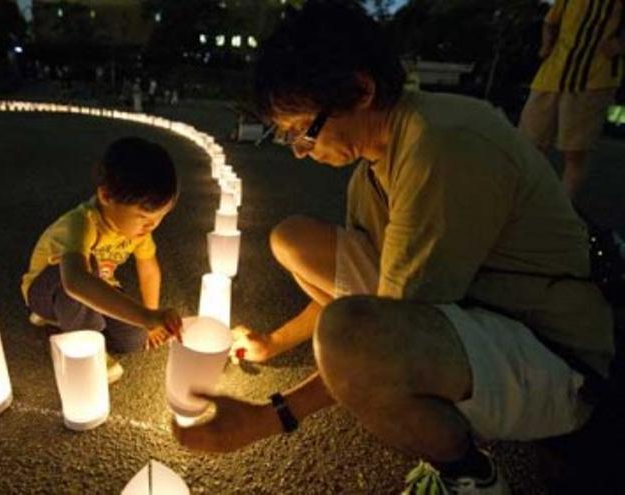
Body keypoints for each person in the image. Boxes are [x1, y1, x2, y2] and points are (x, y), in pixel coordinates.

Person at [172, 2, 614, 494]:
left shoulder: (440, 145)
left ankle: (466, 473)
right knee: (291, 240)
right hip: (482, 308)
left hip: (561, 359)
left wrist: (268, 419)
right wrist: (275, 343)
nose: (301, 150)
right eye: (289, 137)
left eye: (304, 130)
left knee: (352, 342)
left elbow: (367, 336)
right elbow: (355, 305)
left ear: (361, 91)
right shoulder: (372, 170)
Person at [21, 137, 183, 383]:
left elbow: (148, 268)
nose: (152, 225)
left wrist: (150, 317)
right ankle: (85, 343)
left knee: (133, 340)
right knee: (89, 265)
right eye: (143, 217)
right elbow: (76, 281)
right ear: (106, 195)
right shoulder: (81, 223)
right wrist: (147, 317)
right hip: (46, 290)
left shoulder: (140, 231)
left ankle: (64, 319)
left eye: (161, 217)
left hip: (95, 285)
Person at [518, 0, 625, 198]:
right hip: (551, 75)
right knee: (529, 144)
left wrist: (618, 45)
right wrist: (546, 46)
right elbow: (550, 21)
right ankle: (525, 201)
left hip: (593, 79)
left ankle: (562, 207)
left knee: (575, 151)